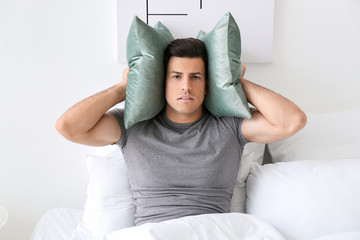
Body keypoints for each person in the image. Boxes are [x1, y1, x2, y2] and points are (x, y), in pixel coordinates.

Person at [56, 38, 306, 225]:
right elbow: (68, 127)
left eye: (195, 77)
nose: (186, 86)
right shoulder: (132, 125)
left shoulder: (229, 126)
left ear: (207, 85)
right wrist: (124, 88)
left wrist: (235, 83)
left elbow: (292, 121)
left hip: (213, 232)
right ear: (161, 82)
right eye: (176, 76)